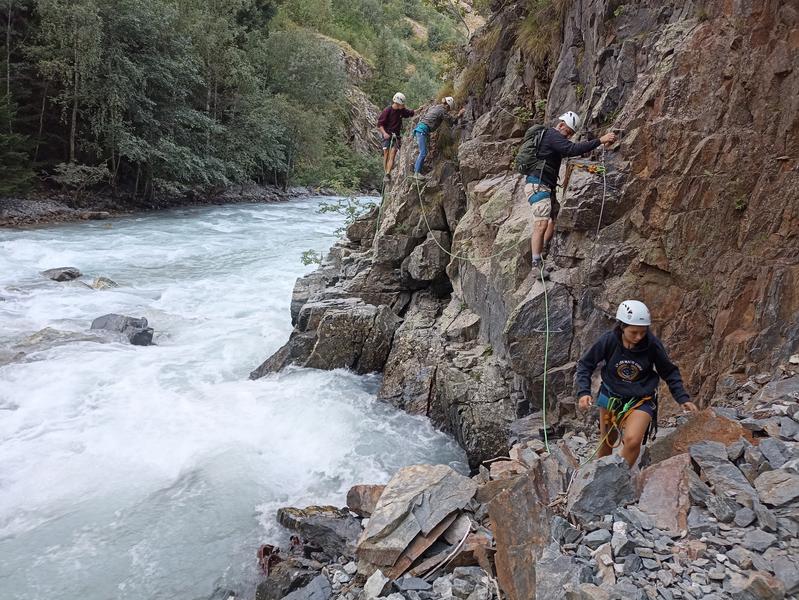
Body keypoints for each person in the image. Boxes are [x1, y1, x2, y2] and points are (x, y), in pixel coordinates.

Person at [575, 300, 698, 466]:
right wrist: (584, 392)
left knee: (632, 441)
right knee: (607, 440)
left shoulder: (652, 344)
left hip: (641, 399)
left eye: (643, 332)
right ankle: (600, 480)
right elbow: (585, 364)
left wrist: (682, 398)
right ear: (622, 327)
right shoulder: (609, 340)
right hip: (611, 397)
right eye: (634, 332)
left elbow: (668, 371)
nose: (639, 337)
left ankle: (620, 479)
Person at [523, 111, 616, 277]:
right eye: (567, 132)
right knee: (541, 223)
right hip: (538, 185)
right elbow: (571, 149)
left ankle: (542, 255)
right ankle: (535, 265)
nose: (567, 136)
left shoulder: (555, 138)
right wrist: (600, 141)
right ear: (561, 125)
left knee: (553, 219)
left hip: (546, 186)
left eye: (570, 134)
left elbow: (573, 150)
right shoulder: (552, 135)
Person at [411, 96, 465, 177]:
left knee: (425, 151)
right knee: (423, 152)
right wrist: (459, 115)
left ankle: (418, 169)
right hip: (422, 131)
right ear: (447, 105)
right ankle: (416, 173)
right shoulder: (442, 110)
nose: (448, 111)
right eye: (449, 109)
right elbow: (451, 122)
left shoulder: (435, 107)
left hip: (422, 130)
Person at [377, 92, 414, 178]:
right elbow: (379, 125)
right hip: (387, 135)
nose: (404, 105)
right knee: (386, 153)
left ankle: (388, 174)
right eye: (402, 104)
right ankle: (386, 172)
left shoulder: (402, 110)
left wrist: (423, 108)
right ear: (397, 103)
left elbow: (411, 113)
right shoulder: (387, 110)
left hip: (396, 136)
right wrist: (384, 133)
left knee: (392, 153)